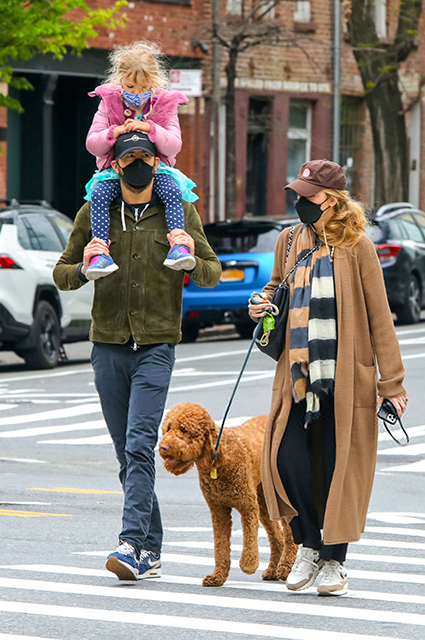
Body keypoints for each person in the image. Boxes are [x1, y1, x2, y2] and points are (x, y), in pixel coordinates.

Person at [53, 132, 221, 581]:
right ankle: (151, 550)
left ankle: (130, 544)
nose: (138, 164)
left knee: (140, 443)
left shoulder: (178, 211)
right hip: (107, 345)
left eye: (145, 156)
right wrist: (85, 268)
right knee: (127, 455)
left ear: (156, 162)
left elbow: (212, 272)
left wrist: (190, 264)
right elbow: (61, 273)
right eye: (129, 157)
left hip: (155, 346)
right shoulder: (96, 212)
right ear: (117, 164)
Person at [248, 159, 407, 597]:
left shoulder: (358, 246)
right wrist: (259, 306)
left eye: (307, 197)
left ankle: (335, 561)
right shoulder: (289, 240)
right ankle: (309, 545)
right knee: (286, 458)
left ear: (332, 201)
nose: (299, 202)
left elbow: (380, 319)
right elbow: (274, 289)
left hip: (345, 377)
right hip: (297, 373)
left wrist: (391, 385)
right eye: (297, 195)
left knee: (340, 466)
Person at [84, 40, 198, 280]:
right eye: (130, 86)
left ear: (154, 82)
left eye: (143, 87)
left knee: (172, 191)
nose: (136, 93)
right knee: (100, 195)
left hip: (157, 170)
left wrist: (150, 128)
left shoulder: (165, 104)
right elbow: (92, 144)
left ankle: (178, 244)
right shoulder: (108, 102)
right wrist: (113, 133)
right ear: (119, 79)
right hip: (117, 170)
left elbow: (175, 144)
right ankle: (100, 252)